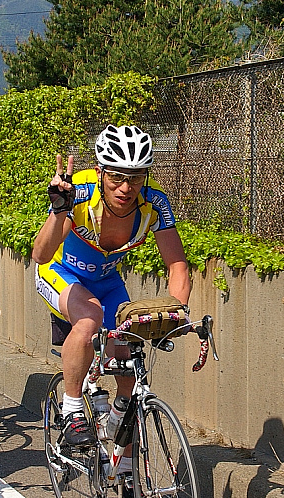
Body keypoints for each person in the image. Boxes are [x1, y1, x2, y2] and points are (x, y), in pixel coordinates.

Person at [32, 124, 191, 452]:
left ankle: (124, 459)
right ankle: (72, 409)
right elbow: (41, 254)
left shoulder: (154, 203)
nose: (125, 187)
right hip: (59, 271)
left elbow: (177, 265)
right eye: (116, 176)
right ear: (101, 171)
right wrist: (59, 211)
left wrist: (176, 311)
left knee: (130, 352)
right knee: (90, 318)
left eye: (135, 177)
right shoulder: (77, 191)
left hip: (106, 281)